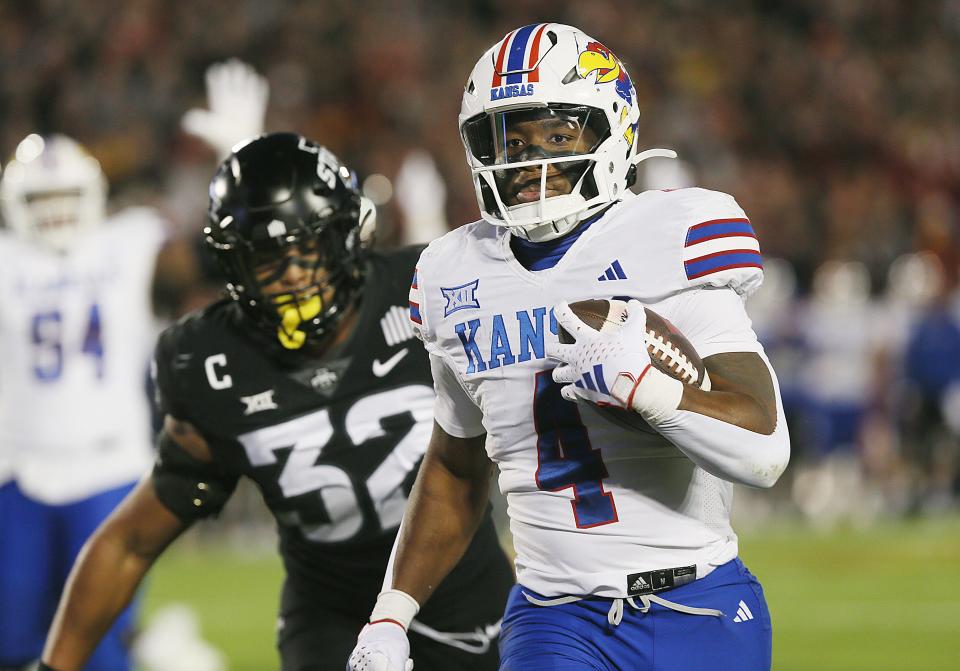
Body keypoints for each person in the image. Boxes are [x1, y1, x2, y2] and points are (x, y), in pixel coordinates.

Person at [349, 23, 791, 671]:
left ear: (614, 132)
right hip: (553, 614)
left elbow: (764, 448)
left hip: (696, 602)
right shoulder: (450, 273)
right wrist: (391, 613)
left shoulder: (672, 235)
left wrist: (653, 389)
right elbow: (454, 463)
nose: (532, 161)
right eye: (511, 139)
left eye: (560, 135)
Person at [39, 132, 513, 671]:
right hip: (333, 611)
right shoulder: (211, 362)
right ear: (233, 267)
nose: (292, 276)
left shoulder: (426, 290)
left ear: (345, 234)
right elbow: (128, 543)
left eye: (307, 247)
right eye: (266, 257)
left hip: (464, 593)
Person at [0, 133, 174, 671]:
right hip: (16, 467)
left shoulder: (133, 241)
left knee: (101, 645)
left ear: (93, 195)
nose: (55, 211)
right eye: (40, 200)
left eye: (65, 196)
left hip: (111, 466)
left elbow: (223, 250)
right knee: (11, 644)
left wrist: (236, 151)